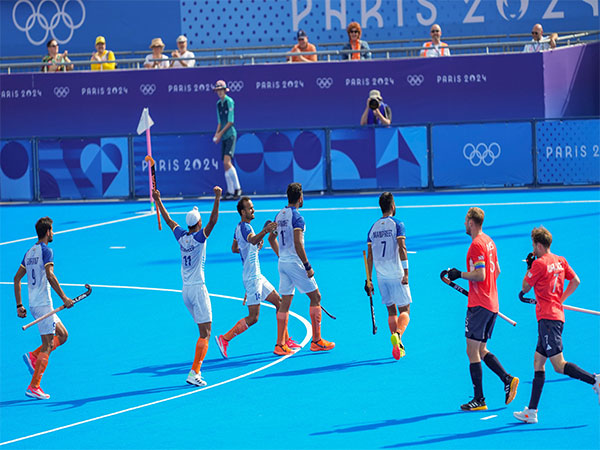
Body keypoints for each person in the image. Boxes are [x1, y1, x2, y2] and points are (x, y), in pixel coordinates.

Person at [513, 226, 600, 424]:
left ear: (538, 244)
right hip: (555, 315)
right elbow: (576, 280)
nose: (532, 249)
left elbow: (525, 287)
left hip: (548, 320)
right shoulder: (560, 260)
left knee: (559, 366)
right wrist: (560, 299)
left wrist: (529, 266)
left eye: (533, 245)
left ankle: (595, 380)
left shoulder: (539, 264)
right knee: (538, 361)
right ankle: (532, 411)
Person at [447, 207, 519, 411]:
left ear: (471, 222)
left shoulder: (476, 245)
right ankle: (507, 379)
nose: (464, 224)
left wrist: (459, 274)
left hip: (479, 305)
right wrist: (486, 291)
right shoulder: (489, 242)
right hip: (492, 303)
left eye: (465, 221)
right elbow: (497, 271)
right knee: (480, 349)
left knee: (471, 351)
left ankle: (479, 399)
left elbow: (481, 275)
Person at [152, 186, 222, 387]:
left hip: (186, 291)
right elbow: (214, 221)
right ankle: (195, 371)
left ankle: (196, 369)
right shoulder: (200, 238)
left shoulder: (181, 237)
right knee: (205, 333)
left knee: (203, 331)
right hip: (198, 289)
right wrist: (217, 197)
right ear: (198, 223)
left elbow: (169, 221)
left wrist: (158, 200)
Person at [215, 197, 301, 357]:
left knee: (280, 303)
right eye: (250, 208)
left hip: (257, 276)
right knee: (253, 318)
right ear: (242, 212)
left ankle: (285, 341)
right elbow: (252, 240)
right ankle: (224, 339)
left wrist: (253, 247)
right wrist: (264, 232)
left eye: (252, 207)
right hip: (252, 278)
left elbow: (235, 248)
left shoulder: (240, 228)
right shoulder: (246, 228)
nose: (253, 210)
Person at [269, 183, 335, 353]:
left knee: (285, 303)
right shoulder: (297, 218)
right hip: (295, 263)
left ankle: (279, 344)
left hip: (283, 263)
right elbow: (298, 244)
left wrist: (282, 256)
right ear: (300, 197)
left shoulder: (279, 215)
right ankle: (317, 340)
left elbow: (271, 239)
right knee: (316, 297)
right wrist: (307, 266)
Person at [14, 217, 74, 399]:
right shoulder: (46, 251)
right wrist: (64, 298)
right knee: (48, 344)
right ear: (48, 231)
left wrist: (19, 305)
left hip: (35, 303)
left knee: (63, 335)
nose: (53, 233)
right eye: (52, 230)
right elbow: (50, 275)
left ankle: (33, 356)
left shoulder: (29, 252)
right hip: (43, 304)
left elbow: (17, 279)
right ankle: (34, 386)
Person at [365, 192, 412, 360]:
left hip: (381, 277)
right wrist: (406, 272)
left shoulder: (372, 228)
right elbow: (402, 247)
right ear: (393, 206)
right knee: (405, 310)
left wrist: (369, 280)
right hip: (397, 273)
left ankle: (396, 347)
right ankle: (398, 335)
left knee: (391, 311)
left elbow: (369, 257)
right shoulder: (397, 224)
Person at [213, 80, 242, 200]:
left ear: (225, 90)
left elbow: (230, 121)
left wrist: (220, 134)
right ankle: (230, 191)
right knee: (225, 165)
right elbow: (220, 122)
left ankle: (238, 188)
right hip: (223, 136)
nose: (219, 92)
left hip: (230, 135)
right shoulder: (218, 104)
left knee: (227, 162)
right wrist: (217, 134)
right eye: (218, 90)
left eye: (221, 90)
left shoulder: (230, 101)